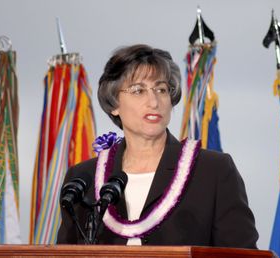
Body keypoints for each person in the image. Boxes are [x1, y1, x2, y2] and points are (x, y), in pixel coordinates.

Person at [57, 44, 259, 248]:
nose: (153, 102)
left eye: (161, 89)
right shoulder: (84, 179)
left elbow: (242, 252)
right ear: (114, 104)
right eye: (138, 90)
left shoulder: (212, 171)